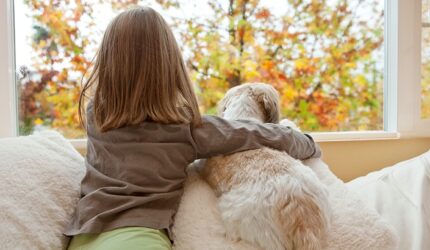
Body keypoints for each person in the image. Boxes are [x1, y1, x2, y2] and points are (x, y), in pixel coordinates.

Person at [65, 6, 321, 250]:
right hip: (141, 239)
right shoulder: (186, 129)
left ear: (109, 63)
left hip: (83, 236)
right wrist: (307, 143)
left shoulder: (97, 118)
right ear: (169, 66)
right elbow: (254, 132)